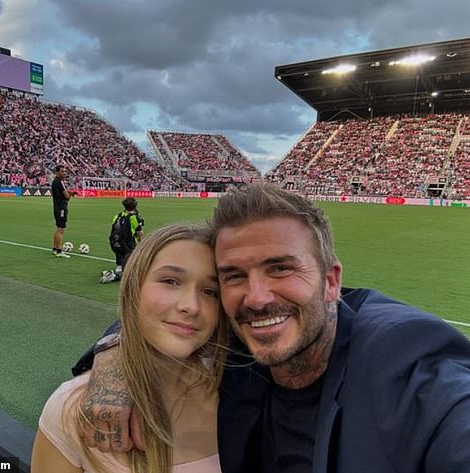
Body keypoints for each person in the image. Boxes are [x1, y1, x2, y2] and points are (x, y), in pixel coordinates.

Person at [74, 183, 470, 473]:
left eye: (280, 268)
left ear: (331, 282)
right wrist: (117, 354)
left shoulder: (408, 368)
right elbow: (160, 315)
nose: (257, 297)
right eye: (232, 277)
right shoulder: (238, 338)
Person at [32, 224, 228, 473]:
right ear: (134, 288)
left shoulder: (242, 389)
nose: (191, 305)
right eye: (170, 281)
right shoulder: (71, 410)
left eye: (211, 291)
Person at [100, 197, 145, 284]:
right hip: (126, 246)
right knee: (131, 272)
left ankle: (119, 266)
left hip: (114, 243)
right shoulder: (134, 218)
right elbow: (139, 234)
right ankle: (113, 275)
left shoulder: (118, 215)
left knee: (122, 248)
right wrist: (141, 244)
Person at [51, 165, 74, 258]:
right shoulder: (59, 182)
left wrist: (69, 193)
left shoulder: (56, 182)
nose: (64, 173)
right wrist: (70, 195)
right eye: (62, 171)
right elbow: (66, 196)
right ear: (57, 172)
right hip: (61, 208)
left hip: (57, 207)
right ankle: (59, 251)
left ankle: (55, 248)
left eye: (65, 171)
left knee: (58, 228)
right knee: (61, 228)